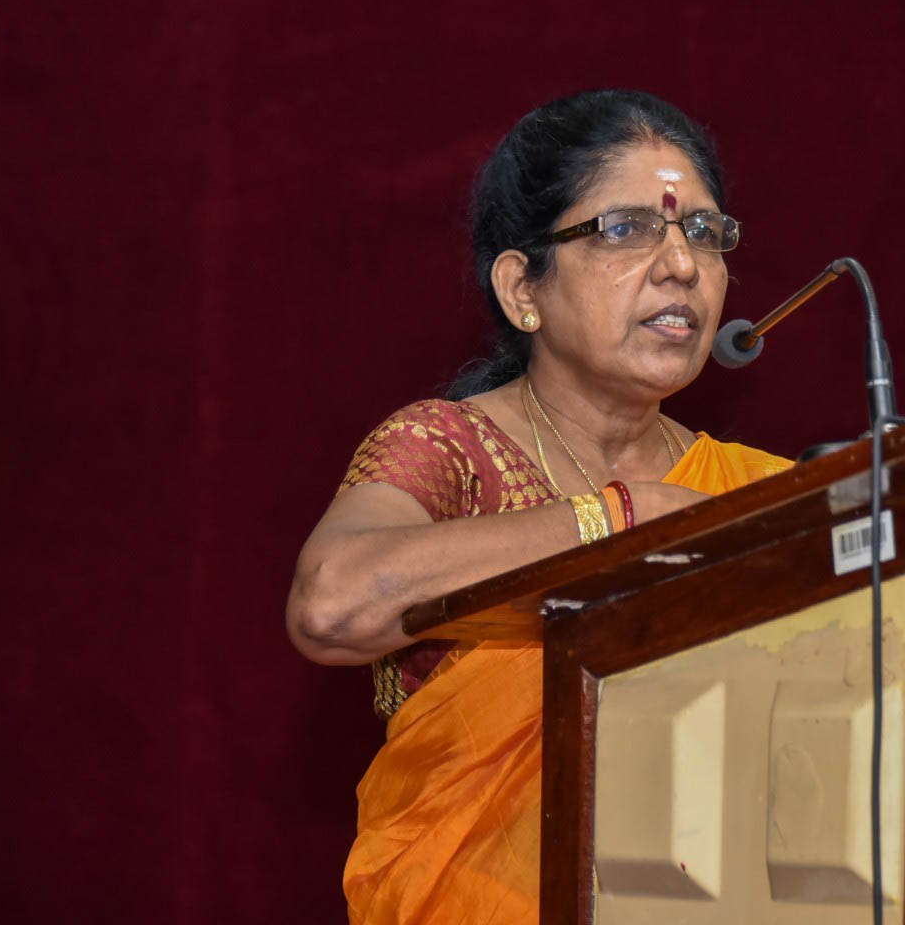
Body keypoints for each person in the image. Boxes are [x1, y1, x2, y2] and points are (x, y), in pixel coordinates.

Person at [285, 89, 792, 924]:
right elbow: (332, 604)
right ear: (523, 287)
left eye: (704, 232)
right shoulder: (450, 449)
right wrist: (617, 523)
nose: (682, 265)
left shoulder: (752, 489)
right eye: (625, 229)